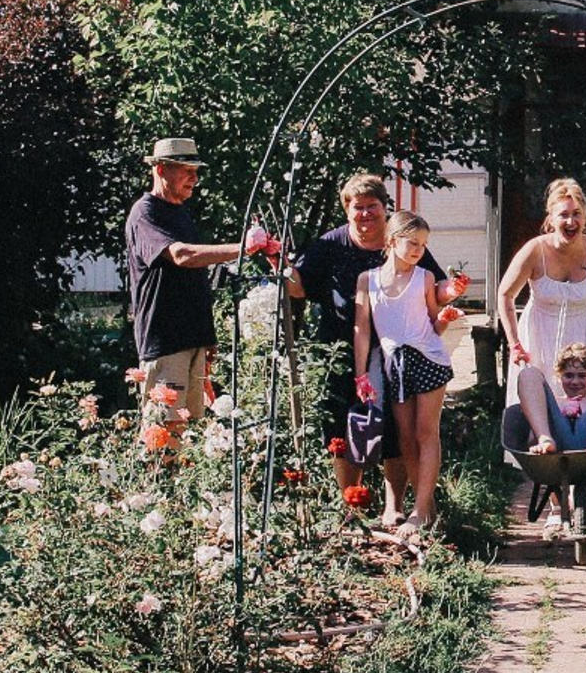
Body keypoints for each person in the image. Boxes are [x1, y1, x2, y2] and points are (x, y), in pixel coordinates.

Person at [287, 173, 464, 503]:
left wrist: (452, 291)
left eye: (373, 206)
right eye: (358, 207)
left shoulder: (403, 241)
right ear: (347, 210)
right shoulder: (330, 245)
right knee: (343, 425)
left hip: (398, 350)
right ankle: (350, 503)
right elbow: (299, 287)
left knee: (396, 431)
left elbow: (435, 286)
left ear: (385, 209)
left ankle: (395, 505)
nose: (366, 214)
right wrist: (277, 262)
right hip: (340, 349)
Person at [125, 137, 270, 442]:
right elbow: (183, 256)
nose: (194, 178)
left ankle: (176, 490)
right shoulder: (145, 212)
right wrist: (243, 248)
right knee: (162, 436)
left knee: (188, 436)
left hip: (192, 341)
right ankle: (153, 489)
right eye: (186, 169)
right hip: (166, 343)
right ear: (162, 169)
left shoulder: (180, 213)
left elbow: (195, 279)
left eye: (196, 170)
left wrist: (207, 342)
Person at [353, 211, 461, 539]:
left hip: (428, 359)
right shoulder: (367, 280)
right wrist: (362, 375)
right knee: (405, 437)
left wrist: (446, 316)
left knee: (426, 432)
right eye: (412, 242)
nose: (418, 249)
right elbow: (362, 330)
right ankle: (424, 507)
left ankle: (421, 509)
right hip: (393, 364)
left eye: (423, 244)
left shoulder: (425, 278)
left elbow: (434, 324)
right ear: (391, 240)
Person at [496, 177, 586, 399]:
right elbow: (505, 294)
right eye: (563, 215)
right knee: (539, 401)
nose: (571, 221)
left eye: (577, 214)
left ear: (585, 217)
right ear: (550, 219)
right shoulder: (534, 250)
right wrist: (515, 344)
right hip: (540, 334)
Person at [516, 341, 586, 455]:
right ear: (559, 377)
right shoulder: (550, 404)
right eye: (568, 375)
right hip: (555, 438)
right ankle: (545, 439)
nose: (575, 382)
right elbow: (530, 438)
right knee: (528, 373)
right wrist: (535, 435)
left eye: (582, 376)